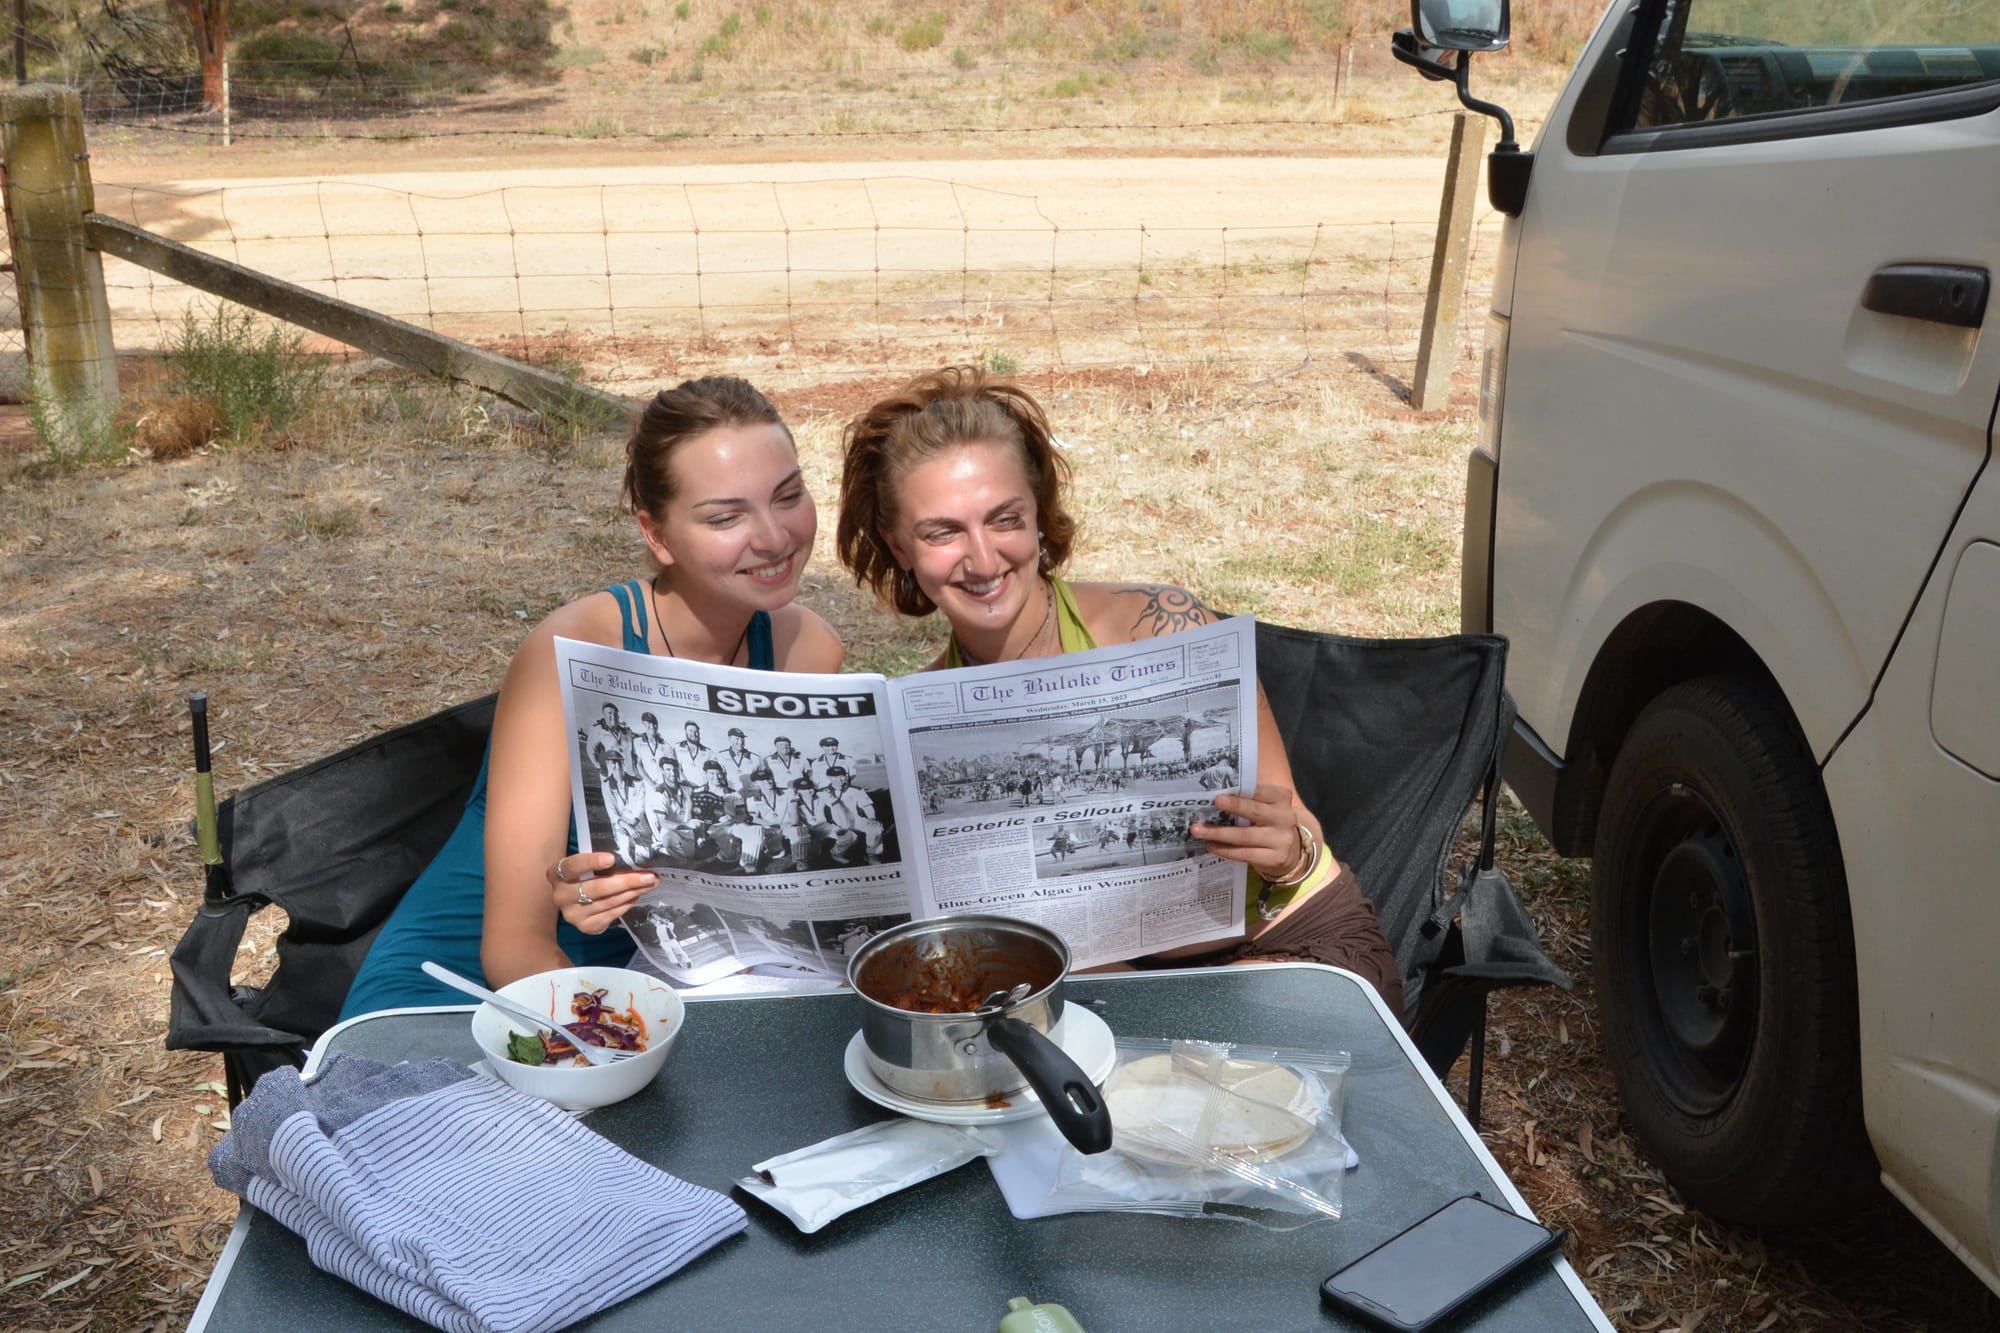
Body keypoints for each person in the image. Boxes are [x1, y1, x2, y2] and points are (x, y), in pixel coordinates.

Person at [834, 365, 1401, 1012]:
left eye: (1004, 519)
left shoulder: (1160, 625)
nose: (984, 558)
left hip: (1290, 948)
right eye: (942, 531)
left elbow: (1300, 831)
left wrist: (1287, 850)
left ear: (1040, 516)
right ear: (897, 545)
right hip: (1119, 989)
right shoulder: (919, 713)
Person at [339, 376, 842, 1017]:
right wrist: (624, 1041)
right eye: (725, 517)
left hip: (666, 985)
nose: (773, 537)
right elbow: (514, 949)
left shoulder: (809, 653)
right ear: (657, 536)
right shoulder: (571, 648)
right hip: (456, 995)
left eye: (788, 496)